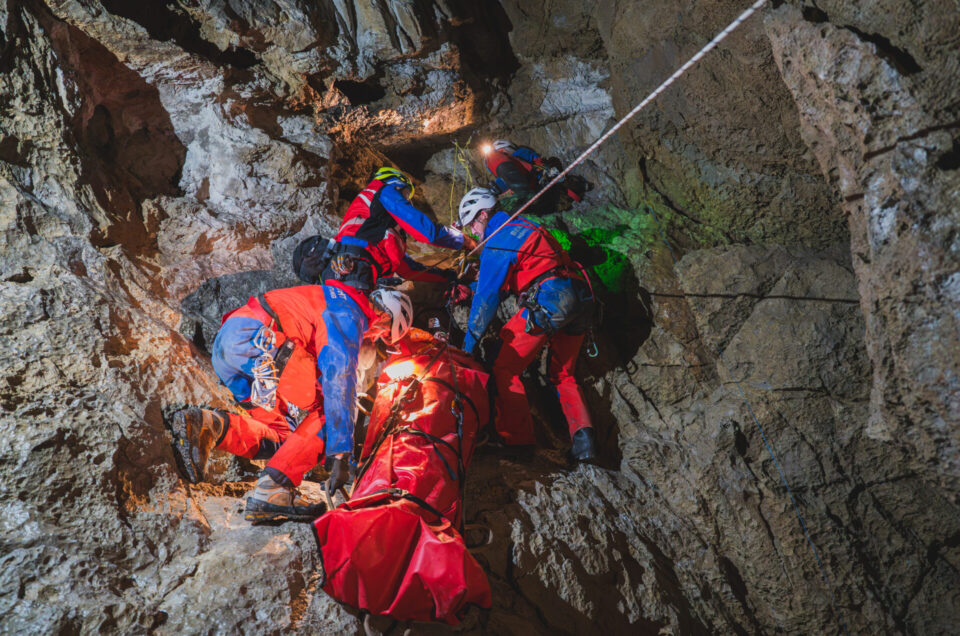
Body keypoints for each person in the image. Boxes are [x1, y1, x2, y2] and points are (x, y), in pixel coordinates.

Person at [170, 283, 413, 523]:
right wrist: (341, 454)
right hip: (262, 344)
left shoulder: (330, 297)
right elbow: (339, 379)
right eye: (381, 333)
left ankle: (207, 425)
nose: (373, 336)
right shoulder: (349, 313)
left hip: (230, 346)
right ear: (384, 318)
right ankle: (272, 491)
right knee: (331, 410)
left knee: (286, 441)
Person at [456, 187, 598, 463]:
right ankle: (585, 444)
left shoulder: (497, 241)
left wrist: (468, 347)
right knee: (563, 375)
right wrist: (474, 283)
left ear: (484, 214)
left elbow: (487, 300)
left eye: (473, 222)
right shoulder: (525, 224)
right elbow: (522, 272)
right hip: (580, 294)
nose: (473, 231)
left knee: (505, 367)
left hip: (551, 299)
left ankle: (518, 442)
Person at [314, 167, 474, 308]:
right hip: (354, 269)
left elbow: (410, 270)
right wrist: (462, 240)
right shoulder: (383, 190)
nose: (407, 202)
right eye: (405, 195)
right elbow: (426, 231)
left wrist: (450, 276)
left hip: (347, 272)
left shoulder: (374, 226)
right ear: (396, 183)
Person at [481, 139, 589, 213]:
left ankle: (574, 187)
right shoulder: (517, 162)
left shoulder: (519, 153)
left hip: (537, 184)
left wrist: (496, 188)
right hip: (537, 187)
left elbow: (533, 164)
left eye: (501, 151)